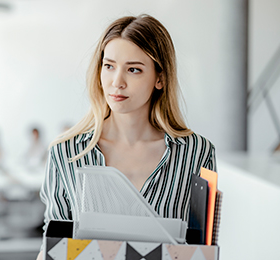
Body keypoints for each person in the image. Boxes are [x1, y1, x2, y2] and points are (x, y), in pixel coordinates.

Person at [36, 14, 217, 259]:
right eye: (109, 66)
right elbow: (55, 244)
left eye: (133, 69)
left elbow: (200, 248)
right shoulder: (66, 152)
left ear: (160, 78)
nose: (116, 82)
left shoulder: (197, 152)